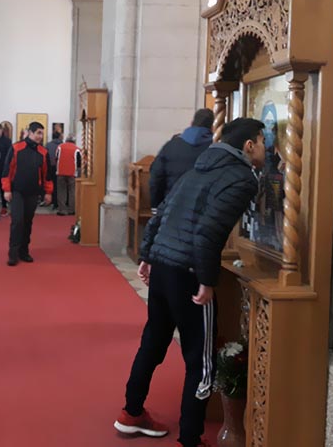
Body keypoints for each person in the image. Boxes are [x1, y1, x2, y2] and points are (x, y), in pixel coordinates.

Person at [113, 118, 266, 447]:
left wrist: (148, 255)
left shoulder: (199, 166)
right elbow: (209, 232)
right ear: (249, 145)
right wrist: (207, 281)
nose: (266, 149)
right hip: (189, 273)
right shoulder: (241, 178)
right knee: (201, 360)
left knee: (153, 341)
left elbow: (163, 212)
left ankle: (131, 412)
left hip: (164, 265)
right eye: (263, 141)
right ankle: (190, 438)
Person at [1, 121, 53, 266]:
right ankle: (13, 253)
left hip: (33, 192)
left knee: (27, 222)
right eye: (38, 133)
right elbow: (7, 170)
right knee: (17, 221)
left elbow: (47, 175)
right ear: (30, 133)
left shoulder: (43, 152)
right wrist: (7, 189)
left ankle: (24, 251)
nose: (40, 136)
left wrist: (48, 192)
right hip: (17, 191)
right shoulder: (16, 148)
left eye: (42, 134)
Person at [150, 108, 214, 209]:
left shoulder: (171, 146)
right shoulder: (213, 149)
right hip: (201, 209)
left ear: (191, 123)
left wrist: (156, 206)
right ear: (212, 127)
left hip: (171, 205)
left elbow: (156, 178)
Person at [55, 135, 82, 216]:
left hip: (61, 171)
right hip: (72, 173)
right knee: (72, 191)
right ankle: (71, 210)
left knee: (61, 191)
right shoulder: (77, 149)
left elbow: (56, 158)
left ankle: (62, 210)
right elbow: (79, 162)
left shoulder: (60, 147)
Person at [0, 123, 12, 216]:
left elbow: (9, 155)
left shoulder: (7, 141)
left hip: (3, 167)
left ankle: (4, 206)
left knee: (3, 188)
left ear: (1, 130)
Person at [44, 130, 63, 208]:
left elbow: (45, 156)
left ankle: (49, 200)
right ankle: (57, 202)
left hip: (50, 166)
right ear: (59, 137)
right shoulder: (62, 145)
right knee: (58, 185)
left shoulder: (48, 145)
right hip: (59, 167)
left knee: (50, 183)